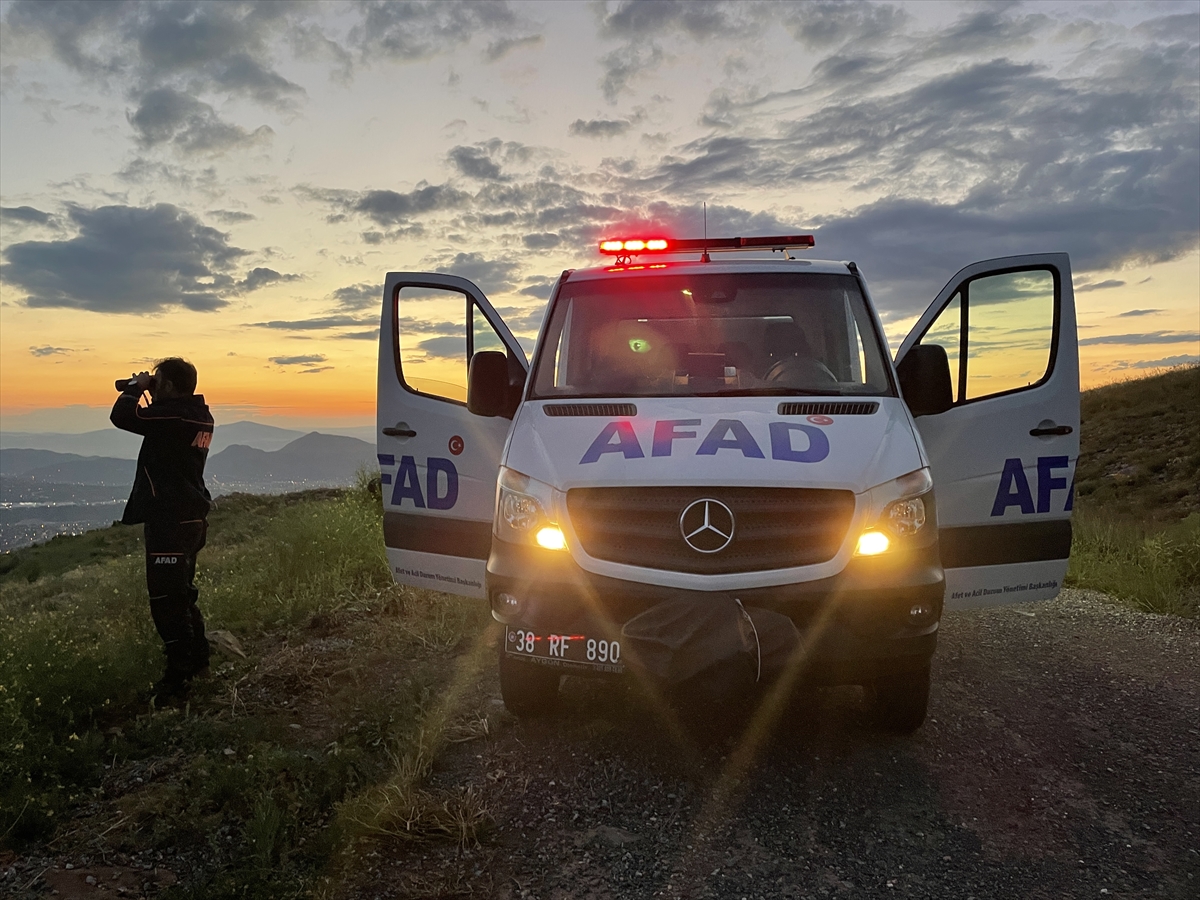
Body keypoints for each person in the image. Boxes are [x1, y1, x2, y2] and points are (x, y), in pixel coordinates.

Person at [111, 357, 215, 698]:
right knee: (181, 592)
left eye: (158, 382)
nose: (153, 387)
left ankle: (178, 678)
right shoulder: (198, 415)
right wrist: (147, 389)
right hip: (190, 516)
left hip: (171, 519)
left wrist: (134, 389)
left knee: (166, 599)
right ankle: (198, 658)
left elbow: (122, 416)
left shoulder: (177, 415)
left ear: (170, 386)